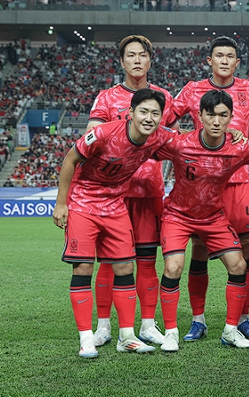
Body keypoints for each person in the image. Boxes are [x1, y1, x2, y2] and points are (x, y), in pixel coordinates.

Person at [53, 88, 175, 358]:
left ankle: (127, 337)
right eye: (143, 111)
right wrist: (62, 204)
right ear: (130, 112)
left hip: (115, 205)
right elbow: (70, 159)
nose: (149, 118)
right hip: (83, 203)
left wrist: (232, 135)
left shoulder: (159, 136)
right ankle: (86, 338)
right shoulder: (104, 133)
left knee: (124, 267)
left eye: (155, 113)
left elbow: (190, 139)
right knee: (83, 267)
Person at [88, 35, 178, 349]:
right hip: (112, 194)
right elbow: (91, 136)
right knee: (108, 263)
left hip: (149, 191)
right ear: (122, 61)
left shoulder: (163, 97)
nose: (137, 60)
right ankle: (103, 326)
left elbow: (172, 139)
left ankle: (148, 325)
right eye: (131, 55)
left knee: (147, 261)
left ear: (150, 60)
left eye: (142, 55)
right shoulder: (107, 98)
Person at [172, 36, 249, 342]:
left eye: (229, 56)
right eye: (219, 56)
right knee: (199, 249)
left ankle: (243, 318)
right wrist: (182, 137)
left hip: (238, 182)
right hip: (203, 185)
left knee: (244, 251)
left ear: (237, 62)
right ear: (209, 60)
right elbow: (166, 119)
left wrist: (247, 139)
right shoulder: (192, 90)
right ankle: (198, 320)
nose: (224, 60)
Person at [154, 90, 249, 352]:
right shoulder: (180, 143)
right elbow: (146, 142)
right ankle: (170, 333)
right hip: (178, 216)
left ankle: (230, 330)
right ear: (199, 116)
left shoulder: (238, 147)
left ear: (231, 118)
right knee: (173, 267)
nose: (216, 121)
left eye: (223, 115)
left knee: (238, 265)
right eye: (210, 115)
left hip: (213, 217)